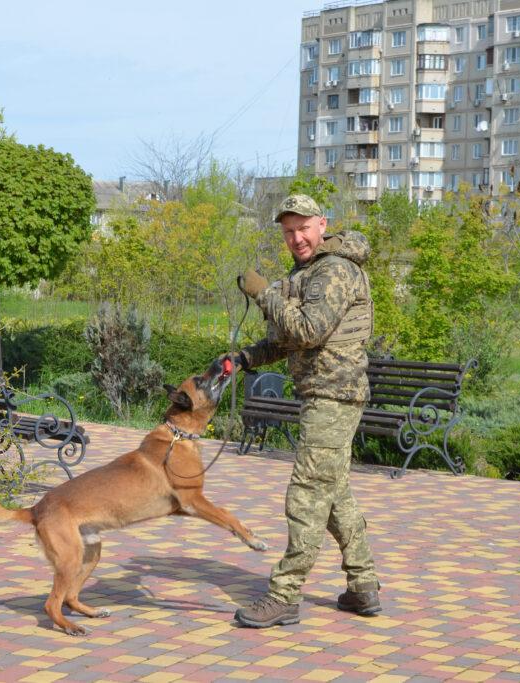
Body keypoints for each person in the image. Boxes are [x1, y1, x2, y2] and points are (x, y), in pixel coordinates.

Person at [223, 193, 381, 629]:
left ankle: (284, 596)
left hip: (334, 395)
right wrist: (246, 357)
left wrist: (265, 293)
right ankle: (363, 586)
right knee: (333, 495)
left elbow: (309, 331)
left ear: (322, 225)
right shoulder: (307, 272)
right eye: (288, 231)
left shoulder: (335, 271)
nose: (296, 238)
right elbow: (288, 338)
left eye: (303, 228)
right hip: (323, 394)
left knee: (307, 494)